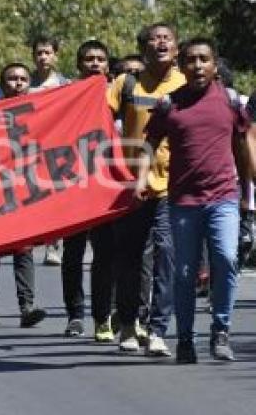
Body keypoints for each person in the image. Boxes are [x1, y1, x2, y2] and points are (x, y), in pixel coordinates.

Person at [140, 38, 249, 363]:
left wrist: (246, 188)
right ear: (181, 66)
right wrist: (140, 178)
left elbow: (241, 146)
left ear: (215, 65)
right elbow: (149, 142)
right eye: (190, 60)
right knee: (185, 272)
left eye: (204, 59)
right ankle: (185, 339)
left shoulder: (229, 101)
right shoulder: (168, 104)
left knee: (226, 260)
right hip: (183, 201)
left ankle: (221, 331)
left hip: (223, 198)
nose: (197, 65)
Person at [107, 22, 183, 357]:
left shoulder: (187, 84)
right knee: (130, 258)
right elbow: (94, 117)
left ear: (176, 48)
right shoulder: (125, 83)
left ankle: (157, 330)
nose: (161, 42)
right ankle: (126, 324)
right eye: (154, 39)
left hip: (173, 185)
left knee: (166, 255)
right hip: (130, 185)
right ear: (144, 48)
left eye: (167, 38)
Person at [0, 63, 47, 329]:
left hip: (25, 191)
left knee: (23, 250)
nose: (17, 83)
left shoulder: (41, 112)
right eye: (12, 79)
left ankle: (26, 307)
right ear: (2, 86)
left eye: (23, 78)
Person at [60, 40, 116, 341]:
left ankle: (102, 316)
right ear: (79, 65)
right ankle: (75, 314)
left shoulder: (117, 95)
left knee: (105, 255)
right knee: (73, 253)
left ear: (108, 65)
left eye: (100, 59)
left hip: (107, 187)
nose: (95, 63)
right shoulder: (66, 97)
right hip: (74, 186)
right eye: (88, 59)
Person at [28, 36, 70, 266]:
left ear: (55, 55)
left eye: (47, 52)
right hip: (31, 147)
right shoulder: (26, 84)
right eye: (39, 53)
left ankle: (54, 246)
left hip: (56, 146)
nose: (43, 57)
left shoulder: (65, 84)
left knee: (55, 196)